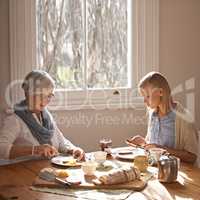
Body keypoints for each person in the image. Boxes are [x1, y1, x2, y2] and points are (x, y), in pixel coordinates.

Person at [0, 70, 85, 162]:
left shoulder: (46, 116)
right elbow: (2, 148)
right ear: (27, 93)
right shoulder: (14, 119)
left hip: (46, 170)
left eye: (49, 96)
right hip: (22, 172)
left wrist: (73, 149)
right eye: (40, 94)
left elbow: (60, 141)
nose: (45, 100)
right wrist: (35, 149)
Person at [127, 71, 198, 163]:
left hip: (176, 172)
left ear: (160, 92)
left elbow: (192, 157)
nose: (144, 101)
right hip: (154, 170)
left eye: (147, 96)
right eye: (143, 97)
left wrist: (161, 149)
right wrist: (143, 143)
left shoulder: (185, 119)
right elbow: (153, 147)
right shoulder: (153, 115)